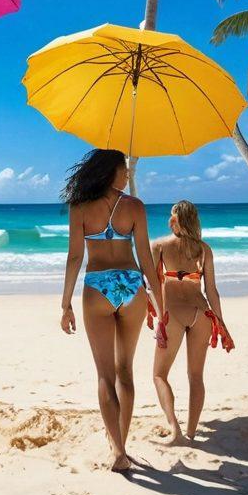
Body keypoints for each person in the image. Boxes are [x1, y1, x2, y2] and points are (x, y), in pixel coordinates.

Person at [60, 149, 164, 472]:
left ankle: (117, 450)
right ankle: (122, 443)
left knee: (105, 375)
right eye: (124, 170)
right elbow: (146, 258)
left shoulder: (79, 207)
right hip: (131, 286)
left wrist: (65, 303)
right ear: (110, 172)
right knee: (125, 371)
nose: (127, 174)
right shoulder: (135, 206)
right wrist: (160, 306)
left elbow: (75, 257)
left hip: (97, 287)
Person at [151, 200, 231, 445]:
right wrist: (221, 323)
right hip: (201, 314)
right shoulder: (204, 250)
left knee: (159, 375)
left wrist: (156, 316)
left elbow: (152, 286)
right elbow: (212, 291)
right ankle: (191, 433)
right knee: (196, 377)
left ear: (176, 220)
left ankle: (175, 430)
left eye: (171, 216)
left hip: (172, 314)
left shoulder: (159, 246)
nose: (168, 220)